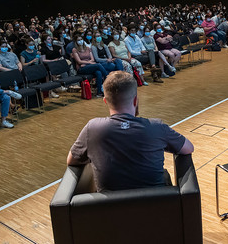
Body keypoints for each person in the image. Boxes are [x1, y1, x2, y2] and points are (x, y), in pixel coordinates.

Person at [66, 71, 194, 191]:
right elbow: (188, 148)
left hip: (110, 211)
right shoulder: (156, 127)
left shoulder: (92, 128)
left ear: (105, 101)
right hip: (156, 208)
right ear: (135, 100)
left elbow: (71, 160)